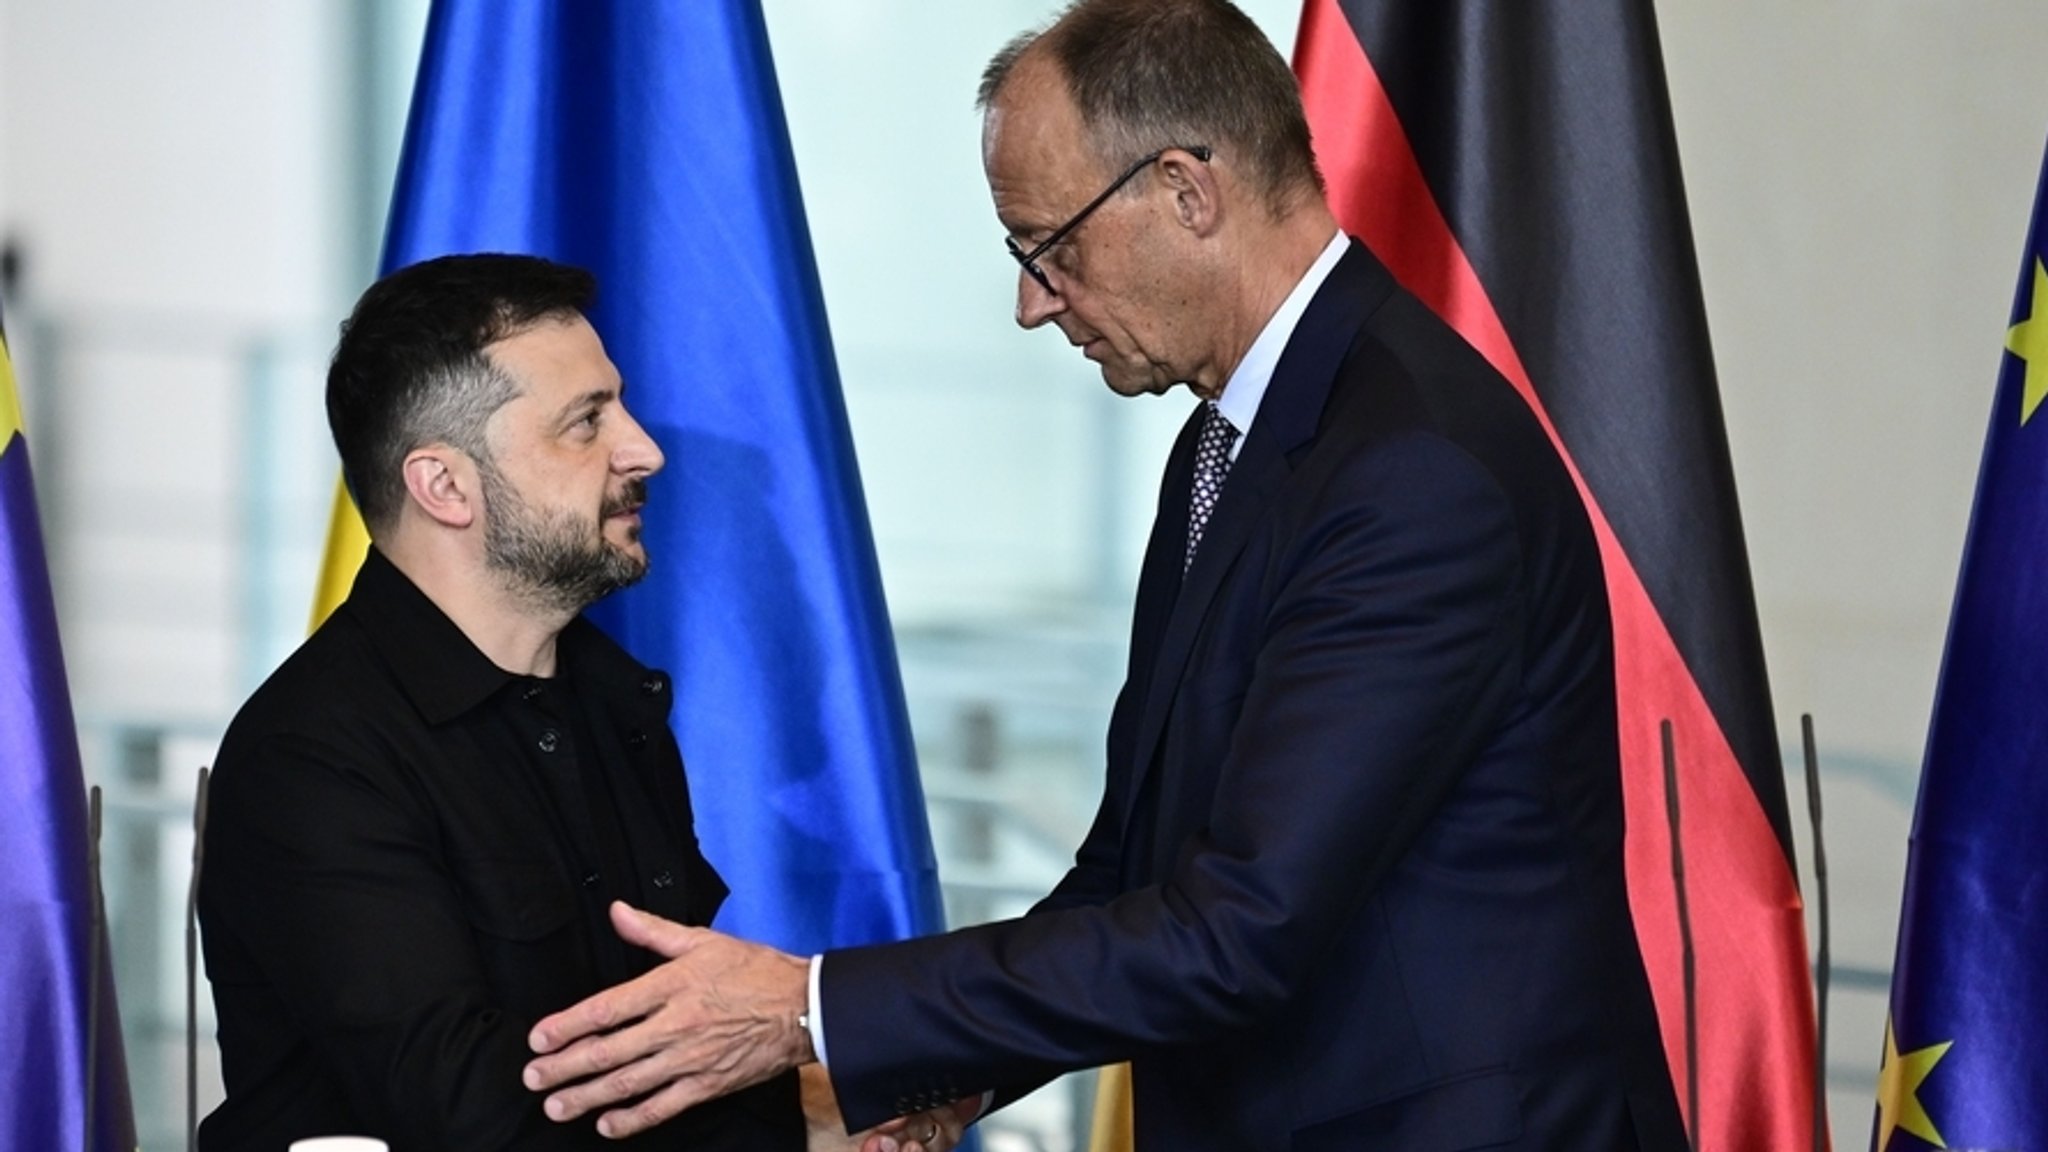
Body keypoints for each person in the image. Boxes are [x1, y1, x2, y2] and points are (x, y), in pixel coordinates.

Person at [520, 3, 1690, 1149]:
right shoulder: (1235, 438)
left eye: (1049, 247)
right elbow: (1136, 862)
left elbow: (1237, 930)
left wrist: (804, 1005)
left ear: (1186, 192)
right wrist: (955, 1068)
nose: (1033, 304)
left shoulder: (1408, 473)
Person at [197, 254, 948, 1152]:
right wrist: (797, 1117)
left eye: (617, 404)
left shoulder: (610, 700)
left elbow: (655, 1043)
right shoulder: (312, 758)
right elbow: (465, 1112)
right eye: (585, 422)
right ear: (444, 487)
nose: (645, 449)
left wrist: (824, 1098)